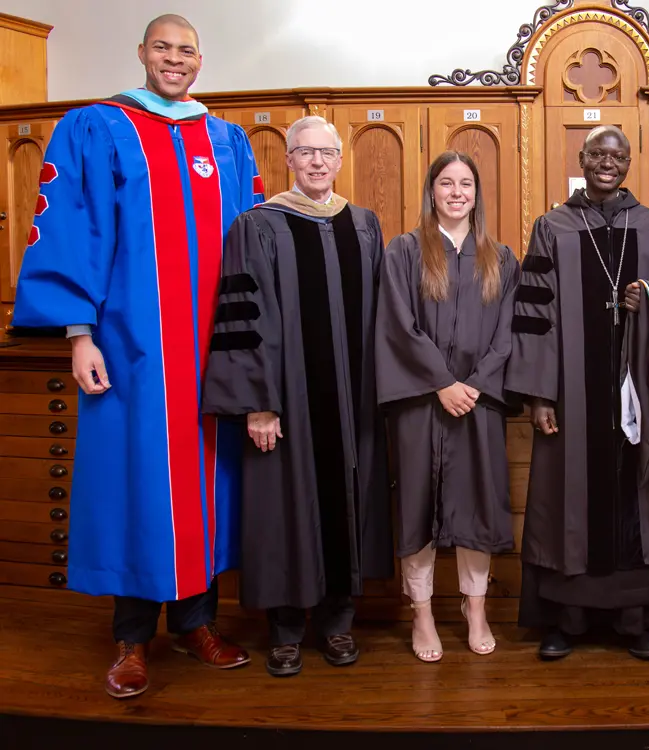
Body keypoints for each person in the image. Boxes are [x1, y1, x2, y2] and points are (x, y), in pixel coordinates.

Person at [11, 15, 262, 698]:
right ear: (143, 54)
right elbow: (69, 227)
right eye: (163, 48)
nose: (174, 61)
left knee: (209, 486)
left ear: (200, 61)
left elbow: (255, 244)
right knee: (138, 483)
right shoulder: (97, 128)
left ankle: (197, 624)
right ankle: (130, 640)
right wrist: (77, 333)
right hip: (133, 349)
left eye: (186, 51)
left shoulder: (227, 141)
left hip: (213, 351)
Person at [200, 115, 393, 677]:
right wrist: (259, 403)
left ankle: (337, 625)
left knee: (347, 504)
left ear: (339, 160)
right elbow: (242, 316)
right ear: (288, 159)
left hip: (352, 403)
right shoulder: (256, 226)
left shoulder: (363, 224)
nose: (316, 162)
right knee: (285, 508)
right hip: (287, 405)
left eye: (326, 153)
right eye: (305, 152)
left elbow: (383, 318)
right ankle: (284, 632)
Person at [508, 125, 649, 661]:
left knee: (637, 497)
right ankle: (568, 619)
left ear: (630, 162)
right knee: (569, 498)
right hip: (571, 395)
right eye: (597, 154)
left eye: (618, 156)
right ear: (582, 159)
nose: (607, 163)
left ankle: (635, 620)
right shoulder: (553, 226)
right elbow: (533, 314)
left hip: (638, 395)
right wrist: (540, 396)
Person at [375, 151, 520, 662]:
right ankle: (422, 613)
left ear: (477, 194)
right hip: (421, 401)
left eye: (466, 184)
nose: (457, 192)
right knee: (418, 504)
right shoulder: (405, 251)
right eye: (446, 183)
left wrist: (476, 384)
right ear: (431, 190)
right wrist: (440, 382)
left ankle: (474, 607)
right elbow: (398, 325)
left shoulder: (499, 258)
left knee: (477, 505)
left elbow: (507, 335)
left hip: (478, 402)